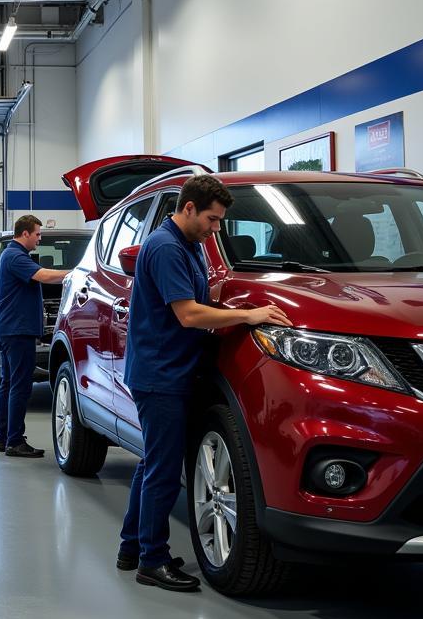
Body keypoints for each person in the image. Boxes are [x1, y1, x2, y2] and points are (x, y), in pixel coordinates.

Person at [118, 174, 293, 593]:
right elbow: (189, 315)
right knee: (162, 468)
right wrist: (249, 317)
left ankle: (132, 547)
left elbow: (203, 298)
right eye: (213, 220)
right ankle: (152, 561)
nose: (216, 228)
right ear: (190, 208)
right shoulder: (164, 247)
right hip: (160, 375)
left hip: (170, 368)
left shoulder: (190, 245)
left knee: (152, 463)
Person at [0, 215, 70, 458]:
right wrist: (77, 273)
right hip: (17, 330)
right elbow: (45, 276)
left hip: (10, 328)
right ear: (25, 233)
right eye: (37, 234)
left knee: (8, 383)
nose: (39, 238)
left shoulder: (11, 254)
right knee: (20, 385)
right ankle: (14, 440)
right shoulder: (15, 256)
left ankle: (5, 437)